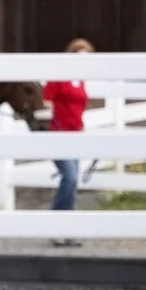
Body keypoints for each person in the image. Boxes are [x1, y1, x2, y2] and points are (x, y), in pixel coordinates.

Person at [45, 39, 94, 225]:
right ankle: (54, 218)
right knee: (70, 177)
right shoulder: (59, 78)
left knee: (73, 183)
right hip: (59, 133)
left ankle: (67, 226)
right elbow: (46, 100)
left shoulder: (80, 82)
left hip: (76, 134)